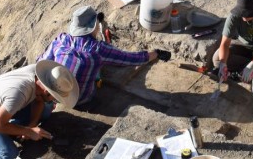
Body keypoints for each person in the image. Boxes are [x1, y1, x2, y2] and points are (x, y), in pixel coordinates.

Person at [39, 6, 167, 108]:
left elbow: (41, 60)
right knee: (100, 62)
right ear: (95, 25)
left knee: (87, 63)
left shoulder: (61, 40)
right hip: (81, 99)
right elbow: (129, 59)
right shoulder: (98, 49)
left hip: (56, 93)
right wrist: (156, 53)